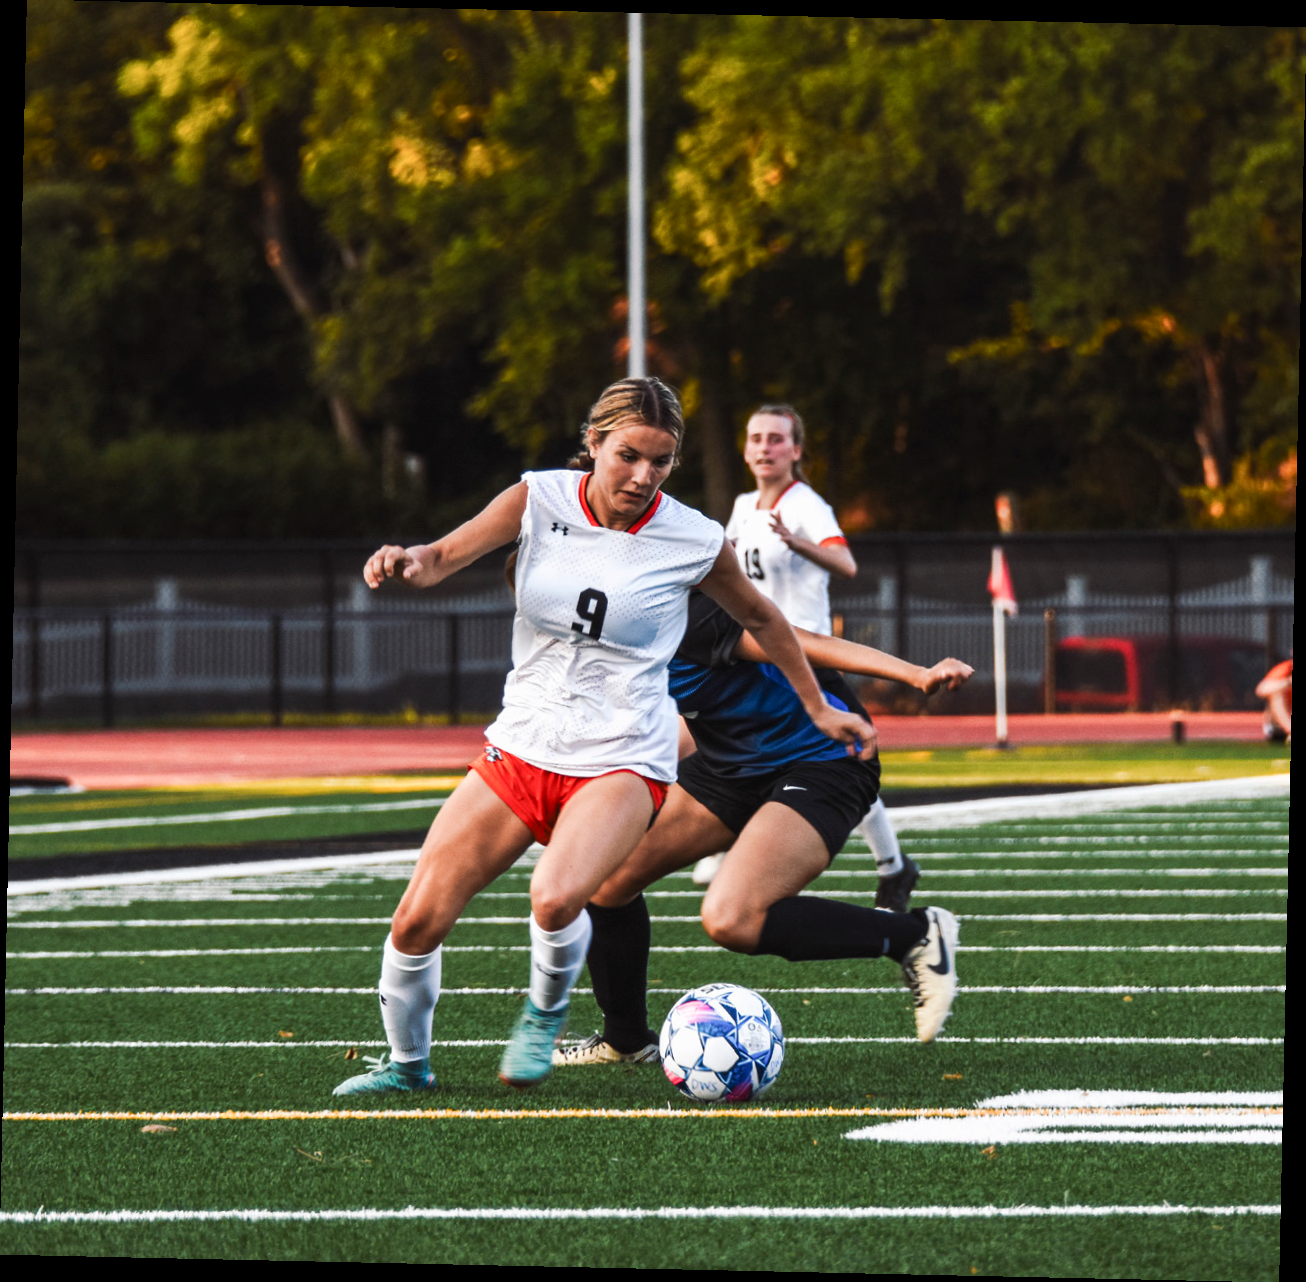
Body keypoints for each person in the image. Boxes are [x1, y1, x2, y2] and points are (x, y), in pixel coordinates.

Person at [333, 377, 875, 1096]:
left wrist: (816, 707)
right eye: (629, 456)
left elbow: (767, 621)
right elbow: (442, 556)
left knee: (557, 898)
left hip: (624, 754)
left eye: (661, 461)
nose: (644, 476)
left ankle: (543, 1016)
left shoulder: (691, 536)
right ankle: (405, 1067)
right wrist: (406, 559)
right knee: (417, 918)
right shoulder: (539, 498)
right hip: (523, 742)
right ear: (593, 444)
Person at [553, 590, 974, 1068]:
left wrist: (915, 674)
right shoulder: (593, 642)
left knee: (732, 917)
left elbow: (800, 640)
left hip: (822, 757)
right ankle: (626, 1040)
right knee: (607, 878)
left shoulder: (675, 610)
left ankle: (914, 934)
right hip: (729, 763)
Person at [694, 404, 914, 908]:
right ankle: (893, 867)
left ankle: (893, 867)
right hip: (754, 656)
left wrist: (797, 542)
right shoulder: (744, 504)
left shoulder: (805, 504)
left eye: (776, 438)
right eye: (755, 438)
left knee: (837, 758)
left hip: (805, 656)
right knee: (714, 738)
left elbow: (846, 561)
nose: (764, 447)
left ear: (796, 450)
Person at [1257, 657, 1292, 742]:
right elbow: (1262, 689)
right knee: (1276, 695)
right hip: (1279, 727)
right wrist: (1288, 682)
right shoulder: (1287, 668)